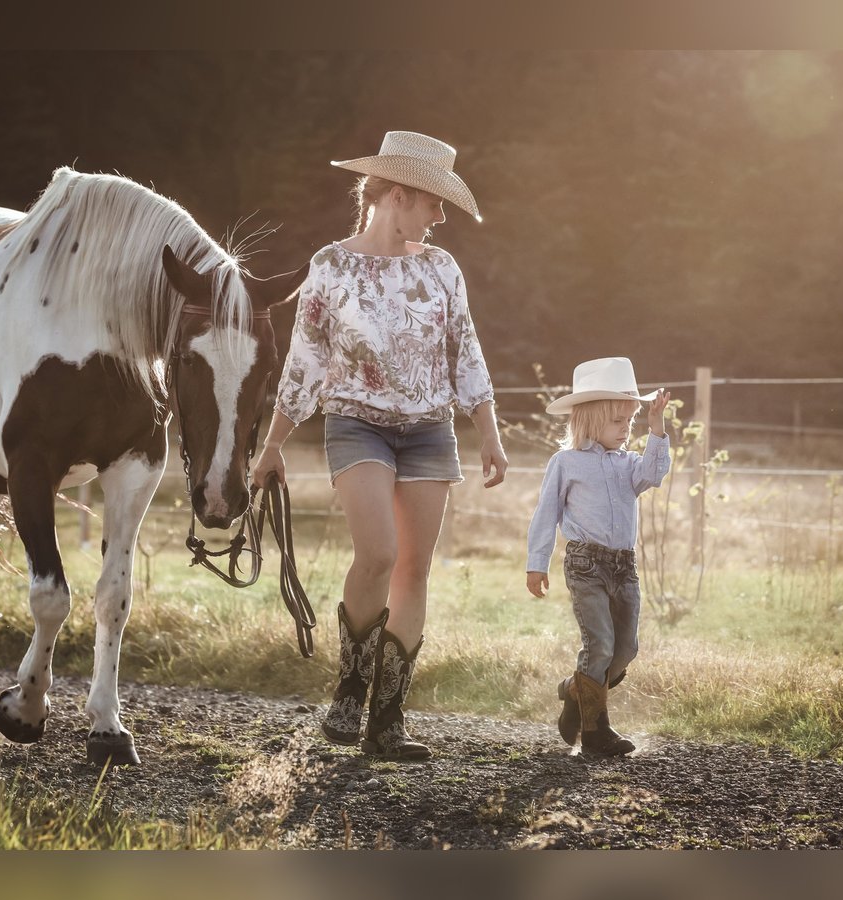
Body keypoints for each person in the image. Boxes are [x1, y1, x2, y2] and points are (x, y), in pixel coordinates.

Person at [251, 131, 508, 761]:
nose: (440, 217)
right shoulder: (331, 266)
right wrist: (272, 445)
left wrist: (490, 433)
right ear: (397, 195)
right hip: (356, 425)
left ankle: (387, 719)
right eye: (432, 203)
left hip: (428, 430)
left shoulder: (441, 268)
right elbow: (305, 361)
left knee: (413, 570)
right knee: (378, 554)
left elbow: (465, 353)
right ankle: (350, 685)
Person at [525, 357, 671, 756]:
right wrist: (537, 562)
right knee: (601, 644)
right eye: (618, 422)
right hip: (585, 564)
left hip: (624, 566)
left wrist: (657, 429)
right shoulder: (566, 462)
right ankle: (596, 733)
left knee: (625, 650)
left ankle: (576, 689)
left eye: (631, 422)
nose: (627, 430)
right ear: (590, 421)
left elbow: (655, 475)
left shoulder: (630, 465)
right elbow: (546, 514)